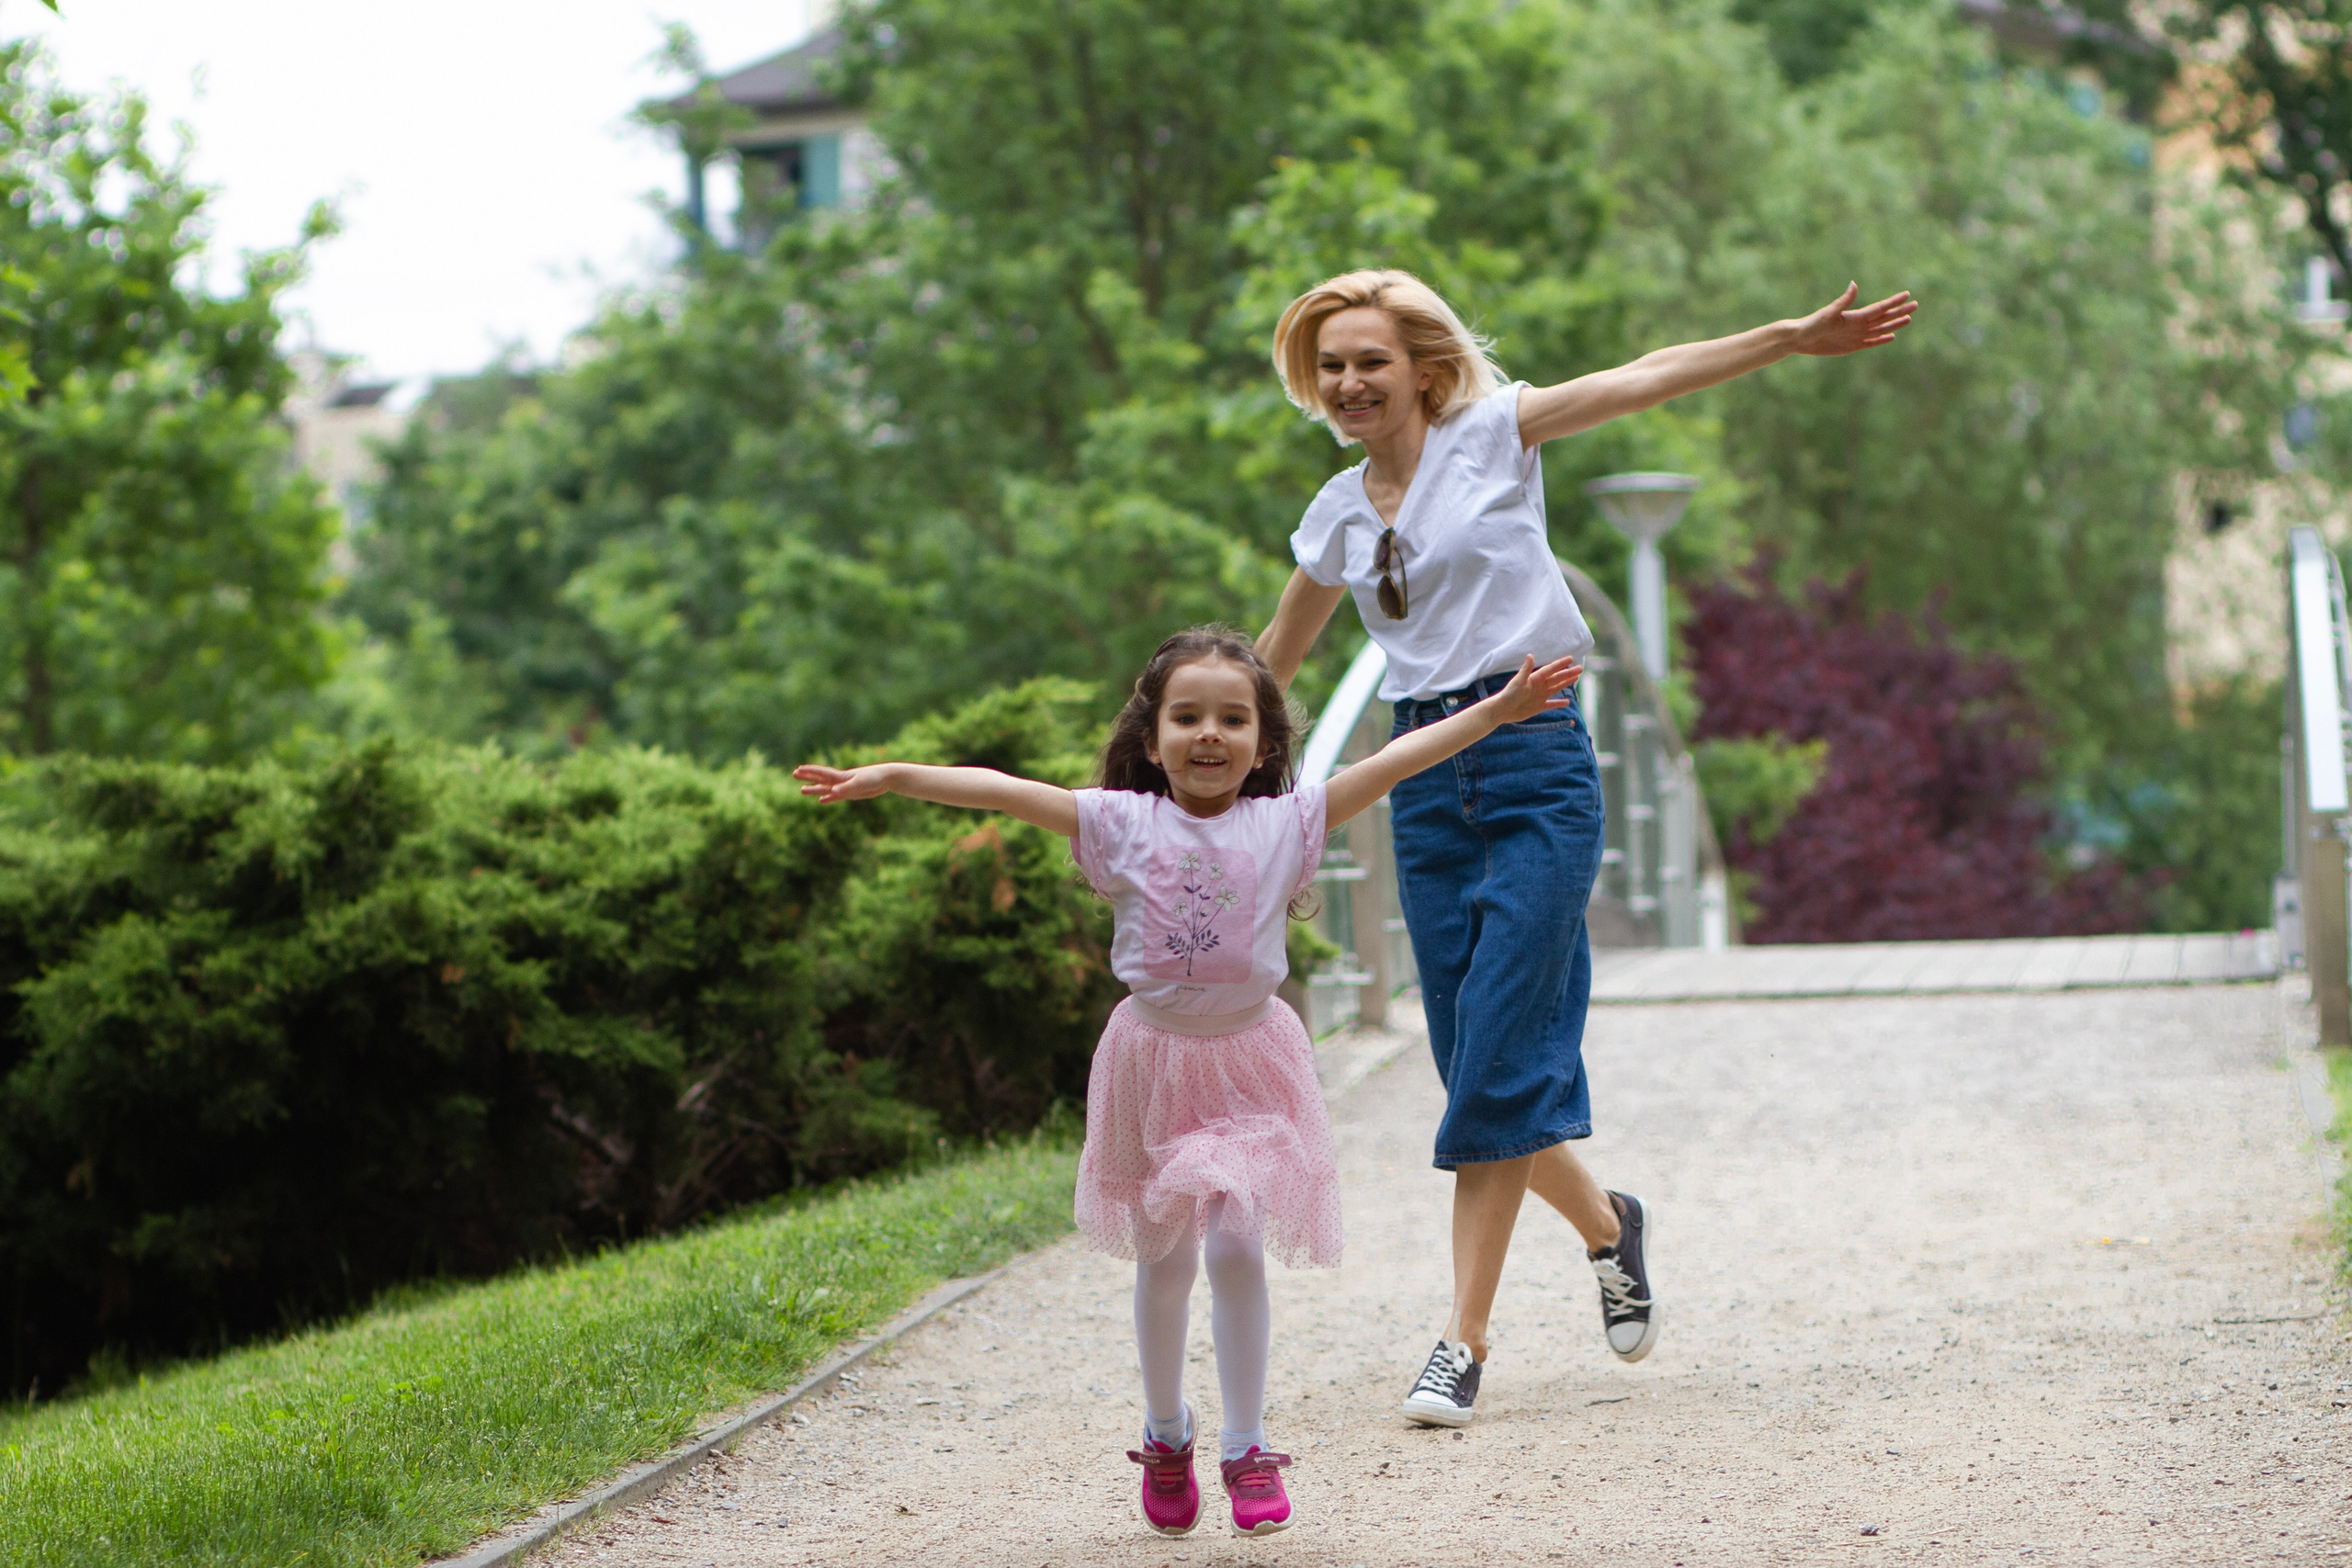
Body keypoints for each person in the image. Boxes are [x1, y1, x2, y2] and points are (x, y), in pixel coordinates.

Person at [1255, 270, 1917, 1427]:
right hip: (1423, 777)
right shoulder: (1338, 514)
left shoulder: (1494, 433)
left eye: (1369, 360)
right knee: (1480, 1068)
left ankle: (1460, 1340)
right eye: (1330, 367)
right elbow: (1270, 666)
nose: (1349, 383)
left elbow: (1649, 374)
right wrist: (1172, 788)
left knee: (1499, 1047)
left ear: (1420, 365)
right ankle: (1612, 1226)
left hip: (1537, 765)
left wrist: (1786, 336)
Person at [795, 627, 1583, 1536]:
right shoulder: (1122, 823)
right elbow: (1008, 794)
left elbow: (1398, 760)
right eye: (1187, 717)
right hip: (1150, 1060)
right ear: (1151, 733)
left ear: (1263, 741)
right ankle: (1165, 1431)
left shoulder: (1286, 823)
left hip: (1252, 1061)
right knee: (1164, 1260)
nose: (1209, 735)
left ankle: (1246, 1445)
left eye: (1233, 718)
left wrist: (1498, 710)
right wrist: (894, 777)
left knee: (1238, 1247)